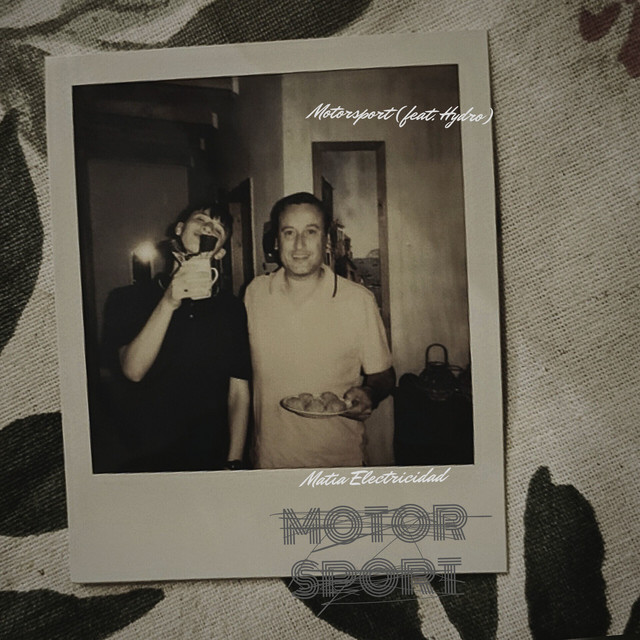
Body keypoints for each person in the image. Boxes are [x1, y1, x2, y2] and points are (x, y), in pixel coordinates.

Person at [244, 192, 395, 469]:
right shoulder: (254, 294)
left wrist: (370, 393)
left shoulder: (358, 300)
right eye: (289, 232)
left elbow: (384, 375)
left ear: (326, 241)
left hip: (338, 463)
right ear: (276, 241)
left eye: (310, 232)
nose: (299, 244)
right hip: (268, 462)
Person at [101, 203, 251, 472]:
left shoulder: (231, 308)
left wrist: (234, 462)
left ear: (220, 252)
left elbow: (238, 391)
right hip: (144, 456)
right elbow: (133, 370)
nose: (208, 227)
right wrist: (169, 301)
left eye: (218, 228)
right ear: (179, 229)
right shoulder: (127, 298)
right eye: (201, 219)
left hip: (209, 455)